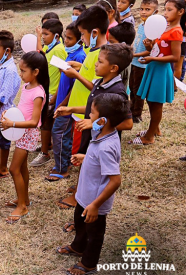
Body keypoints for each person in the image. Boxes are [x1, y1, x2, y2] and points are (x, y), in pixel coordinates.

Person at [56, 43, 134, 233]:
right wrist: (72, 109)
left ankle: (88, 215)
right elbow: (93, 108)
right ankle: (80, 214)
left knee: (94, 181)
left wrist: (94, 124)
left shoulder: (117, 92)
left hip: (101, 142)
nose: (96, 65)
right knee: (85, 176)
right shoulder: (100, 82)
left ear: (113, 68)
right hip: (91, 138)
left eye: (99, 62)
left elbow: (127, 123)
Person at [57, 93, 129, 275]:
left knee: (95, 234)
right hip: (84, 195)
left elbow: (115, 180)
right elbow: (95, 154)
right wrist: (86, 157)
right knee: (80, 223)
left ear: (103, 120)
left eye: (92, 113)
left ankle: (89, 263)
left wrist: (96, 205)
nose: (89, 116)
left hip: (95, 201)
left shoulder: (107, 146)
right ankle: (78, 246)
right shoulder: (100, 132)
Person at [54, 5, 108, 210]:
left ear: (94, 33)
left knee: (84, 155)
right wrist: (78, 68)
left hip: (87, 115)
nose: (82, 39)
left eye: (83, 35)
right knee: (80, 152)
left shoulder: (103, 55)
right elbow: (88, 72)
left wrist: (75, 75)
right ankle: (80, 187)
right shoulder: (91, 50)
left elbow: (96, 86)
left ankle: (80, 194)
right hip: (79, 112)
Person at [1, 51, 49, 224]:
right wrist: (10, 113)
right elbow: (23, 110)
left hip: (27, 133)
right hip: (20, 131)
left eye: (23, 71)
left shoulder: (38, 92)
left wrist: (12, 124)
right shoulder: (27, 86)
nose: (20, 74)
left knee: (14, 169)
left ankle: (22, 206)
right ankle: (24, 199)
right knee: (21, 168)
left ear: (35, 72)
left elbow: (34, 121)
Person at [130, 0, 185, 145]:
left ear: (180, 12)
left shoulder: (176, 31)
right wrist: (149, 46)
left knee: (156, 103)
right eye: (165, 9)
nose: (165, 13)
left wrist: (152, 58)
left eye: (169, 10)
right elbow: (156, 49)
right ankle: (155, 129)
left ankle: (149, 137)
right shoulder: (165, 27)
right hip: (153, 66)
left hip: (160, 70)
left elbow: (174, 57)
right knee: (150, 100)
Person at [46, 22, 86, 182]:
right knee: (63, 134)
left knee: (59, 134)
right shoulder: (70, 55)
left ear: (79, 40)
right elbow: (64, 81)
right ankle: (64, 163)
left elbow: (75, 85)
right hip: (61, 103)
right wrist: (55, 100)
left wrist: (64, 104)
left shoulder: (80, 57)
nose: (66, 42)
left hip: (67, 105)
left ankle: (62, 168)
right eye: (65, 38)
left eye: (70, 39)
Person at [30, 19, 67, 167]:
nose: (44, 37)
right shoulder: (51, 48)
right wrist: (38, 37)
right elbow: (41, 53)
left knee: (45, 123)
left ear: (56, 36)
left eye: (46, 34)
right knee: (44, 123)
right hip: (47, 91)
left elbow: (63, 75)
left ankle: (45, 153)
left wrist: (56, 96)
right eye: (43, 34)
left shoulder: (59, 51)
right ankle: (47, 145)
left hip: (53, 93)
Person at [0, 30, 21, 180]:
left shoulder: (10, 70)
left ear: (7, 51)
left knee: (3, 140)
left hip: (4, 111)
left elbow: (4, 96)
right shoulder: (0, 65)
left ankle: (3, 168)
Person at [129, 0, 157, 123]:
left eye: (147, 9)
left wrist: (134, 54)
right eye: (141, 9)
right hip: (134, 62)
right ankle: (131, 108)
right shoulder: (141, 25)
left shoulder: (153, 30)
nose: (143, 12)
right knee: (131, 87)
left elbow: (150, 51)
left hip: (142, 64)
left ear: (155, 12)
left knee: (138, 90)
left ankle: (137, 114)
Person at [108, 22, 136, 88]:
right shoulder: (122, 58)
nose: (108, 45)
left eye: (112, 42)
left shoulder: (120, 63)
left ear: (123, 44)